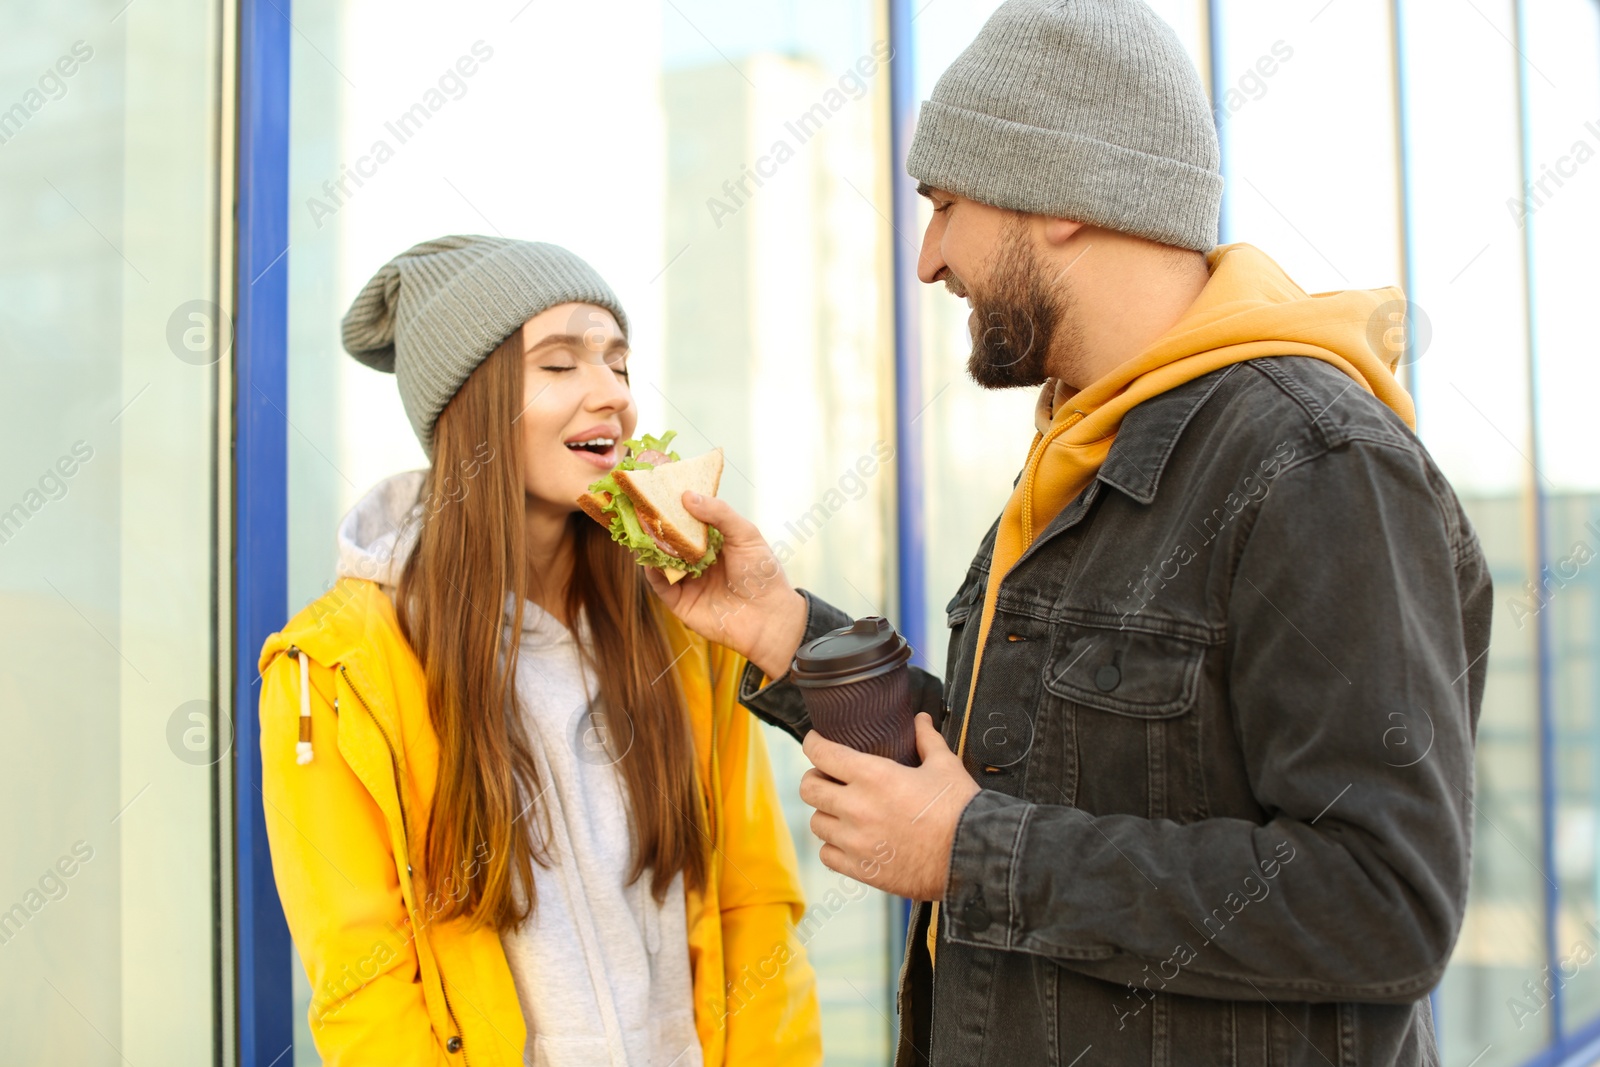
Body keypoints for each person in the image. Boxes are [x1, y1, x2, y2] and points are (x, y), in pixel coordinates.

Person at [649, 2, 1490, 1064]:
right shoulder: (1092, 440)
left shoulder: (1314, 465)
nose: (928, 259)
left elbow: (1381, 900)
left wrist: (973, 853)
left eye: (945, 204)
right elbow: (1040, 770)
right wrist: (780, 627)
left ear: (1059, 196)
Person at [257, 236, 822, 1067]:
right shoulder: (337, 669)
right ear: (471, 407)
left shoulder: (680, 629)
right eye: (560, 365)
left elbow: (755, 903)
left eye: (618, 363)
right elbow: (364, 986)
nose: (612, 395)